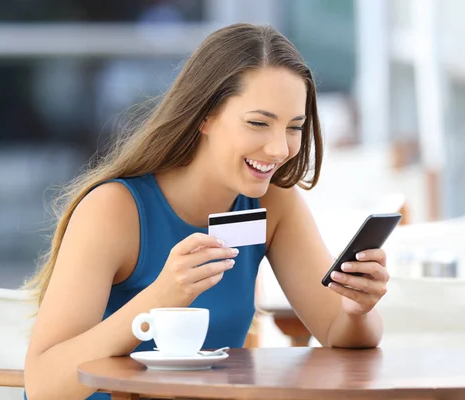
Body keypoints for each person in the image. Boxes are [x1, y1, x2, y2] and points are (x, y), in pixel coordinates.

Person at [22, 23, 390, 400]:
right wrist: (160, 298)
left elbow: (337, 332)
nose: (280, 149)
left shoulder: (274, 203)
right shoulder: (114, 210)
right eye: (258, 123)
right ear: (206, 116)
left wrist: (356, 311)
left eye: (294, 127)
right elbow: (42, 386)